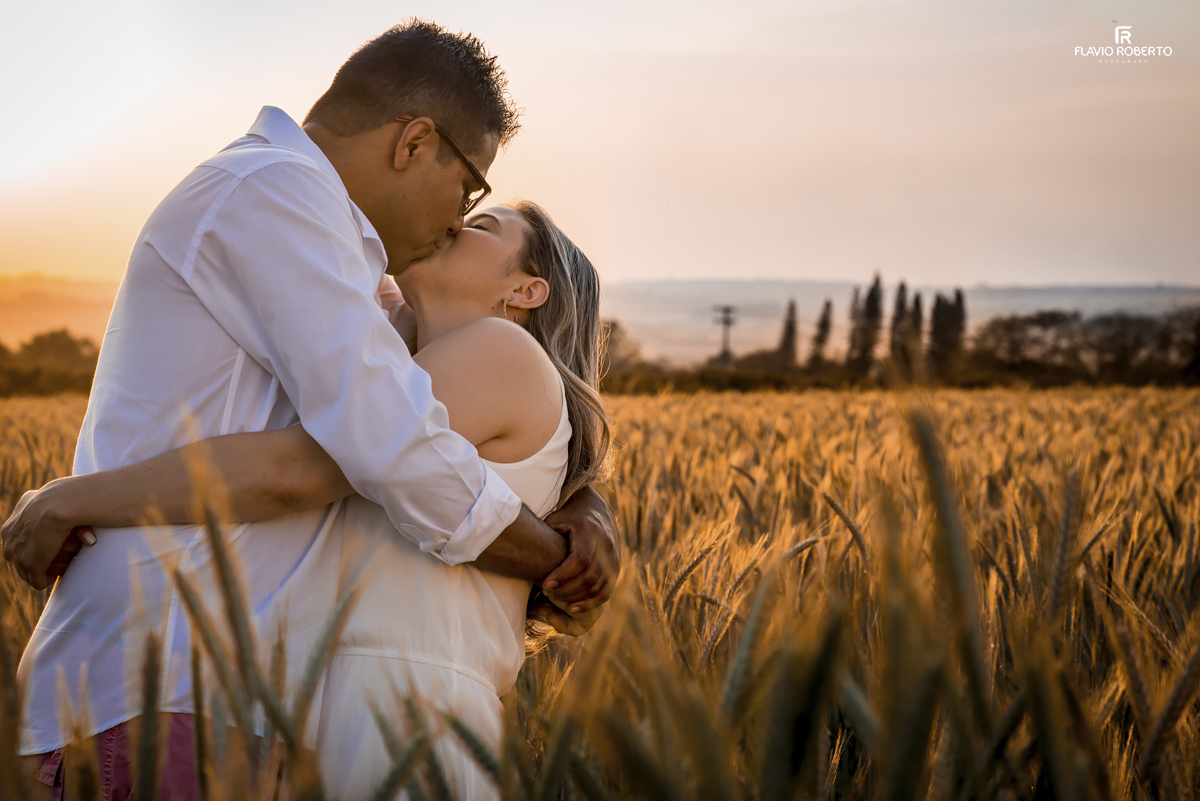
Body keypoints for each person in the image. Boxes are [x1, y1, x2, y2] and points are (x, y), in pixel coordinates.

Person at [1, 21, 618, 801]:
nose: (459, 217)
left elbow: (513, 412)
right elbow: (378, 448)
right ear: (414, 143)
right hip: (159, 681)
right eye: (468, 188)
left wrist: (588, 504)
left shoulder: (347, 264)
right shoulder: (274, 197)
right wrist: (553, 561)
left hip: (229, 702)